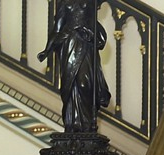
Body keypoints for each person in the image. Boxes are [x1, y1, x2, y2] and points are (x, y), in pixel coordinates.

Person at [38, 0, 111, 133]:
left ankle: (87, 125)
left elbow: (93, 24)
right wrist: (46, 50)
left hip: (85, 44)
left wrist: (91, 34)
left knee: (85, 84)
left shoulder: (91, 2)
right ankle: (72, 125)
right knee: (69, 86)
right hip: (69, 43)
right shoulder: (64, 3)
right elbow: (57, 29)